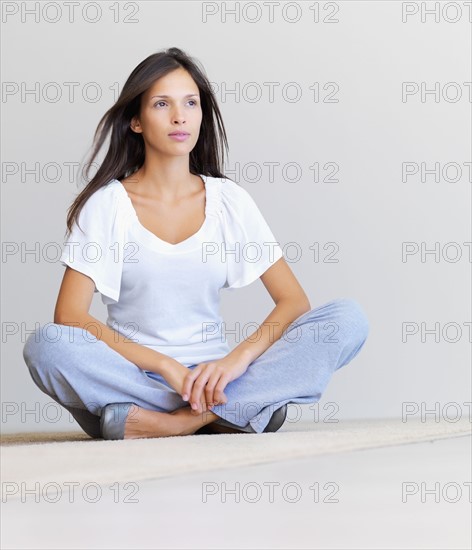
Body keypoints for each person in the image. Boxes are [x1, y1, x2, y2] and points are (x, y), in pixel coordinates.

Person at [22, 47, 370, 440]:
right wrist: (166, 366)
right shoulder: (108, 205)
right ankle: (235, 413)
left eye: (191, 103)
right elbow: (70, 317)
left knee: (347, 319)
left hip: (221, 379)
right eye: (161, 104)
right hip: (135, 382)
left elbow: (294, 301)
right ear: (135, 121)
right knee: (47, 345)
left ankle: (180, 422)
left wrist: (235, 363)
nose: (179, 116)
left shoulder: (229, 201)